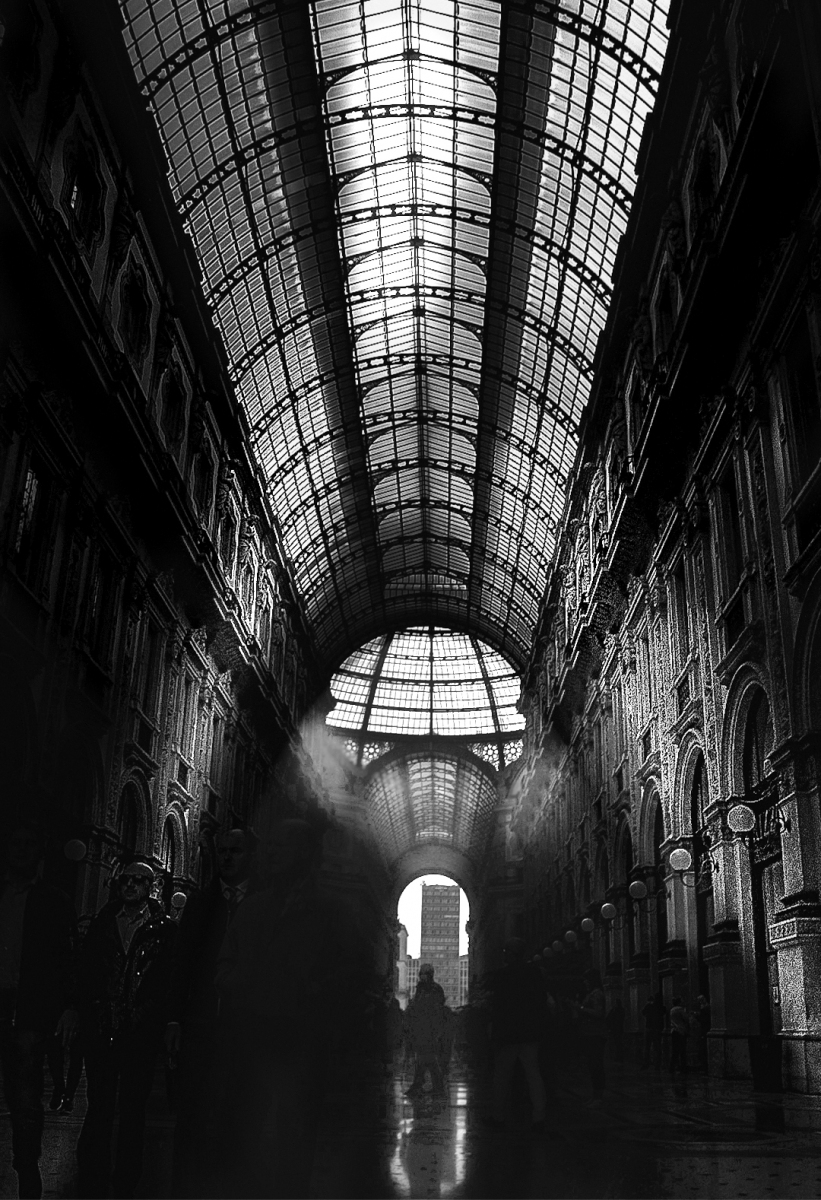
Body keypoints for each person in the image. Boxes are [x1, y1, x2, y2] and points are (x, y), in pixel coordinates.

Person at [215, 817, 355, 1198]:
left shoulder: (330, 913)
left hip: (302, 1044)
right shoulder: (252, 907)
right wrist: (240, 983)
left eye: (284, 845)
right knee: (242, 1133)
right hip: (251, 1039)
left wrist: (312, 993)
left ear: (307, 853)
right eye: (271, 845)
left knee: (295, 1139)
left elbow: (347, 978)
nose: (273, 853)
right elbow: (224, 965)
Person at [75, 860, 177, 1199]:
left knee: (133, 1109)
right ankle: (93, 1177)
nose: (130, 885)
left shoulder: (164, 929)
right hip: (103, 1025)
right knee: (99, 1104)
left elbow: (168, 979)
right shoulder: (104, 922)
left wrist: (155, 1018)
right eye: (125, 880)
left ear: (150, 887)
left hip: (139, 1030)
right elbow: (88, 970)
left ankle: (126, 1180)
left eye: (138, 880)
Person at [166, 828, 257, 1198]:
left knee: (238, 1113)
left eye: (236, 851)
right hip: (201, 1024)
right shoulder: (200, 904)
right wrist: (174, 1018)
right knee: (191, 1112)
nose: (227, 857)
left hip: (245, 1029)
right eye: (222, 851)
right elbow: (180, 964)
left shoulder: (264, 904)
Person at [0, 823, 77, 1199]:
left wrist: (68, 1007)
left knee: (26, 1100)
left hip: (28, 1012)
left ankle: (27, 1171)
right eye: (16, 842)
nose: (22, 850)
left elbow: (66, 959)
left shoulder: (53, 901)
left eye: (30, 843)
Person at [486, 938, 547, 1131]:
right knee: (533, 1074)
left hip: (508, 1034)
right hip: (530, 1032)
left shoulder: (503, 975)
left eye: (506, 951)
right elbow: (541, 1002)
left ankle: (498, 1117)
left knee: (502, 1076)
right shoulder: (535, 973)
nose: (504, 954)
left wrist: (494, 1031)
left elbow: (497, 1006)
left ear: (512, 954)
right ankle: (539, 1117)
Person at [405, 965, 447, 1098]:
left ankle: (427, 1086)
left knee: (427, 1058)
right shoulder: (421, 989)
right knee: (424, 1058)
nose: (422, 976)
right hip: (421, 1028)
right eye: (421, 973)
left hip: (430, 1029)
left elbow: (436, 1010)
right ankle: (423, 1085)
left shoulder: (434, 989)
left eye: (425, 973)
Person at [577, 969, 607, 1099]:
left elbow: (598, 1012)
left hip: (595, 1033)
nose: (585, 982)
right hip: (590, 1033)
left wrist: (581, 1008)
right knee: (592, 1064)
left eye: (586, 979)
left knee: (596, 1065)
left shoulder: (596, 994)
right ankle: (596, 1094)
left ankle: (598, 1095)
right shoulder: (592, 993)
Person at [641, 991, 666, 1070]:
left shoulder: (649, 1006)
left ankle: (646, 1064)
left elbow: (643, 1012)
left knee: (647, 1047)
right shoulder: (662, 1007)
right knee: (657, 1047)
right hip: (657, 1029)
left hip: (649, 1028)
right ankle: (657, 1064)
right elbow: (664, 1013)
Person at [669, 996, 689, 1073]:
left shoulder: (672, 1010)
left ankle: (672, 1067)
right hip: (680, 1030)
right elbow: (686, 1019)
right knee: (682, 1050)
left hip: (673, 1030)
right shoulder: (680, 1009)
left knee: (675, 1050)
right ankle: (683, 1067)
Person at [605, 996, 625, 1064]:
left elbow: (611, 1018)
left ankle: (618, 1056)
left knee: (618, 1043)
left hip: (617, 1029)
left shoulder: (617, 1011)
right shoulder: (616, 1010)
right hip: (616, 1029)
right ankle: (618, 1056)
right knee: (617, 1043)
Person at [695, 994, 711, 1070]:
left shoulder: (704, 1008)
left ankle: (704, 1066)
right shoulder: (708, 1007)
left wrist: (697, 1016)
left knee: (703, 1048)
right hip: (706, 1028)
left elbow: (703, 1019)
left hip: (704, 1029)